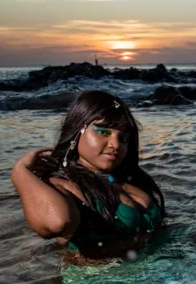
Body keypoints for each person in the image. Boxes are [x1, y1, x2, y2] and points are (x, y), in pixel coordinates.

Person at [11, 90, 165, 259]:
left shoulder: (128, 180)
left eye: (123, 138)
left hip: (167, 274)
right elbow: (57, 223)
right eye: (103, 132)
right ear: (77, 130)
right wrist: (20, 173)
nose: (115, 144)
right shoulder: (61, 185)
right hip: (106, 283)